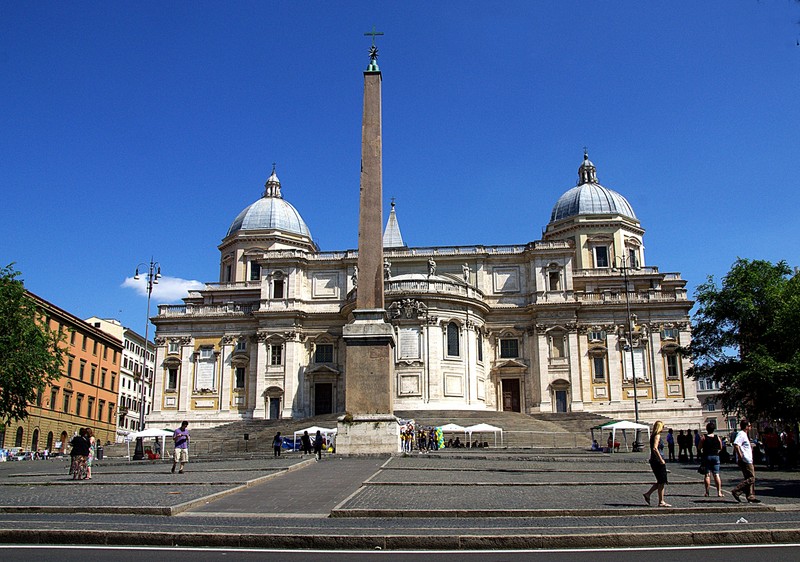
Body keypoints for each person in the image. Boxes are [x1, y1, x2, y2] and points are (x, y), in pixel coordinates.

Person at [731, 420, 760, 503]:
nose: (750, 427)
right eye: (749, 425)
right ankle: (737, 490)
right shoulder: (741, 434)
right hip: (745, 460)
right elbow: (736, 444)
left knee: (748, 478)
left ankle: (750, 496)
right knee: (751, 478)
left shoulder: (744, 434)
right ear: (746, 426)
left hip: (748, 459)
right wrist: (740, 456)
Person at [643, 420, 670, 507]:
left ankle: (648, 494)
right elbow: (655, 448)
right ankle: (661, 501)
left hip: (655, 460)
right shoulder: (657, 436)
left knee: (661, 481)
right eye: (663, 426)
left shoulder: (653, 436)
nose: (663, 428)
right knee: (662, 481)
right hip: (657, 461)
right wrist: (661, 459)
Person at [699, 422, 723, 497]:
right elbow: (721, 447)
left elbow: (699, 447)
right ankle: (719, 492)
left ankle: (707, 492)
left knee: (707, 475)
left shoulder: (704, 437)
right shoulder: (717, 437)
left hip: (707, 456)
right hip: (715, 456)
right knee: (716, 474)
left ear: (707, 429)